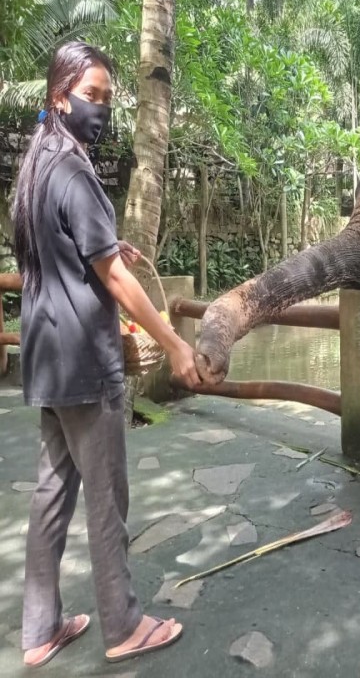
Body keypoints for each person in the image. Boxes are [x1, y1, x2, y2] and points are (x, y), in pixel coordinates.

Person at [12, 42, 201, 667]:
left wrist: (108, 242)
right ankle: (123, 623)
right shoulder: (75, 171)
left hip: (42, 352)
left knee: (52, 492)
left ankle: (39, 630)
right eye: (91, 96)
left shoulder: (38, 163)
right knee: (105, 499)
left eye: (107, 99)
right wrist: (173, 340)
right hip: (84, 359)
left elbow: (60, 246)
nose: (100, 109)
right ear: (58, 95)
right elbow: (115, 280)